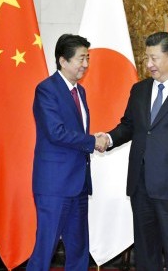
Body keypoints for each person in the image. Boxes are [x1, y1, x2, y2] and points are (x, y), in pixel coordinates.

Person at [101, 32, 168, 270]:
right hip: (140, 185)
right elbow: (129, 126)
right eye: (146, 57)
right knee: (145, 249)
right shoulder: (139, 90)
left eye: (154, 58)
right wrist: (109, 138)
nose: (148, 64)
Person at [27, 34, 108, 271]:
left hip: (78, 183)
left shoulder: (79, 92)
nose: (85, 64)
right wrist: (93, 141)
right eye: (81, 59)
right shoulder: (46, 89)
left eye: (88, 58)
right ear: (63, 61)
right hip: (54, 185)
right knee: (46, 248)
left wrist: (93, 140)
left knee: (79, 248)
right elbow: (56, 132)